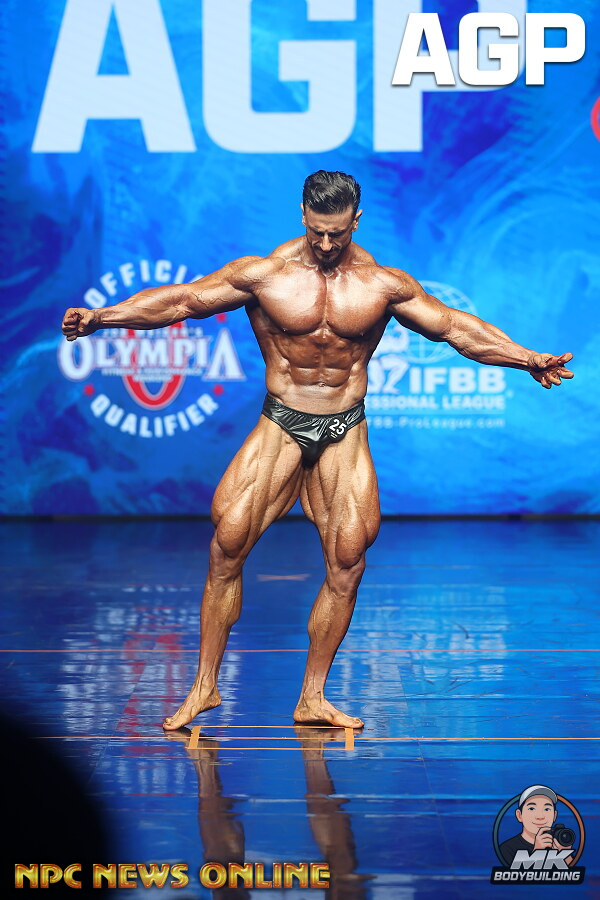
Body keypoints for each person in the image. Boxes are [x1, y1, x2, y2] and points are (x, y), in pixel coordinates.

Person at [61, 170, 574, 731]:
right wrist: (102, 318)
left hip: (344, 427)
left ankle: (313, 696)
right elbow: (183, 301)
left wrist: (527, 358)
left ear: (356, 221)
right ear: (303, 216)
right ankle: (204, 686)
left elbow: (454, 328)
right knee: (226, 546)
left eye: (338, 233)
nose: (327, 244)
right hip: (282, 421)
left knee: (348, 561)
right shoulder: (265, 275)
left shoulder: (382, 285)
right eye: (318, 231)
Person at [499, 785, 574, 866]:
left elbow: (575, 872)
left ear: (554, 816)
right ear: (519, 815)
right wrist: (537, 852)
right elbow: (514, 873)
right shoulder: (507, 849)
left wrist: (565, 854)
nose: (540, 816)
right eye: (532, 808)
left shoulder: (559, 842)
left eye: (547, 809)